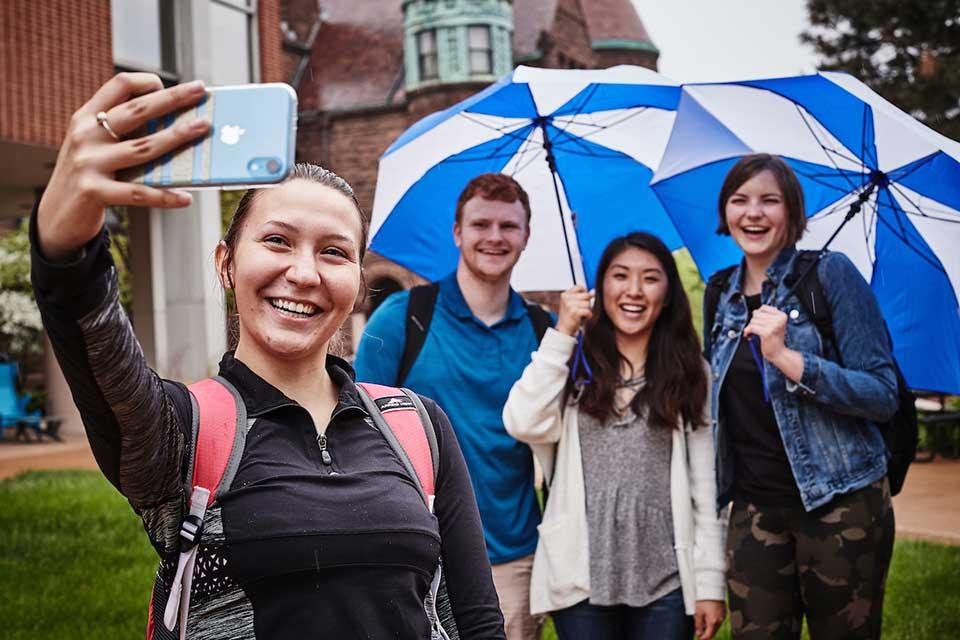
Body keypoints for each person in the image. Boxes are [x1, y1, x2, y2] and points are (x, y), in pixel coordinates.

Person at [32, 73, 505, 640]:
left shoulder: (418, 424)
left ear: (357, 282)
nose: (303, 273)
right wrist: (66, 248)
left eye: (333, 252)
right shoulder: (180, 431)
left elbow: (475, 618)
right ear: (227, 264)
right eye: (277, 241)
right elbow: (93, 337)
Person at [706, 153, 898, 638]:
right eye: (739, 200)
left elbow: (881, 393)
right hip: (753, 508)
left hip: (841, 503)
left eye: (769, 200)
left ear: (791, 211)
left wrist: (790, 359)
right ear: (725, 213)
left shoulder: (831, 275)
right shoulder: (718, 293)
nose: (753, 213)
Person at [502, 232, 727, 640]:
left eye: (650, 278)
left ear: (669, 292)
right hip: (582, 577)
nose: (634, 291)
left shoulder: (691, 373)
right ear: (601, 286)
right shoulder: (574, 363)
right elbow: (522, 420)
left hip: (667, 579)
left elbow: (704, 489)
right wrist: (564, 330)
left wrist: (710, 584)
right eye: (620, 276)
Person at [354, 173, 548, 640]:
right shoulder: (403, 318)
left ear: (526, 237)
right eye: (481, 224)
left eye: (509, 226)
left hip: (512, 558)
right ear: (458, 232)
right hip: (413, 556)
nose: (495, 237)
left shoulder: (545, 332)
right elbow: (356, 433)